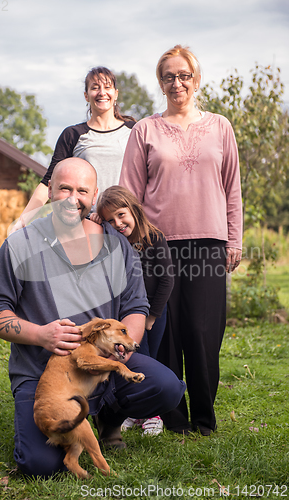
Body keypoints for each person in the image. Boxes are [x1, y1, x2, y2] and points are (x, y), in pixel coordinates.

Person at [0, 157, 186, 478]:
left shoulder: (117, 246)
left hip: (102, 364)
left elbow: (136, 307)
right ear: (49, 191)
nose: (73, 198)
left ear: (94, 195)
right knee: (40, 466)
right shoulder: (20, 245)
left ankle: (108, 418)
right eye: (64, 189)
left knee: (167, 387)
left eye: (82, 190)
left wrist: (125, 347)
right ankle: (59, 423)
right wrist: (39, 334)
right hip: (45, 376)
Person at [119, 44, 243, 437]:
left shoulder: (220, 126)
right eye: (170, 76)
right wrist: (131, 244)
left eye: (184, 75)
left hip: (208, 243)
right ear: (161, 82)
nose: (178, 83)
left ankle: (204, 420)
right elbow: (130, 192)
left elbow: (232, 188)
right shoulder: (146, 130)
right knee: (166, 332)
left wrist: (234, 238)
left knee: (204, 331)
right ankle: (174, 418)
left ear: (197, 79)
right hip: (159, 245)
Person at [10, 67, 136, 233]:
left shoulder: (134, 130)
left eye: (107, 87)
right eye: (95, 87)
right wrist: (23, 220)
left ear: (116, 93)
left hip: (126, 223)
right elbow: (49, 180)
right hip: (90, 223)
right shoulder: (73, 135)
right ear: (86, 95)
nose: (101, 92)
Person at [95, 185, 174, 436]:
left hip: (151, 316)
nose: (117, 223)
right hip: (126, 316)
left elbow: (167, 280)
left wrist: (151, 316)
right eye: (109, 220)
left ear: (133, 209)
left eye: (121, 215)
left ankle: (153, 415)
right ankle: (135, 412)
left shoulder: (153, 238)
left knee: (148, 359)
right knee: (128, 356)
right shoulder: (112, 243)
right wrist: (94, 220)